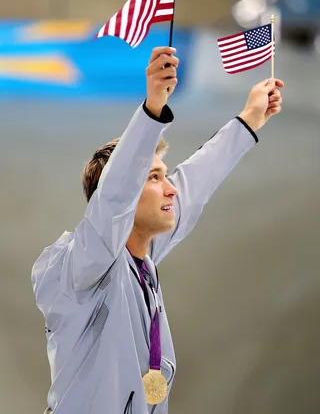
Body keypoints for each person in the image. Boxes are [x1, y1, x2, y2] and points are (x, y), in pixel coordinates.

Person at [31, 46, 284, 414]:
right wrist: (152, 110)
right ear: (126, 190)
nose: (171, 189)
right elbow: (116, 195)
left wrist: (248, 119)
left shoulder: (141, 260)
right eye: (154, 177)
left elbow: (197, 180)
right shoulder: (80, 269)